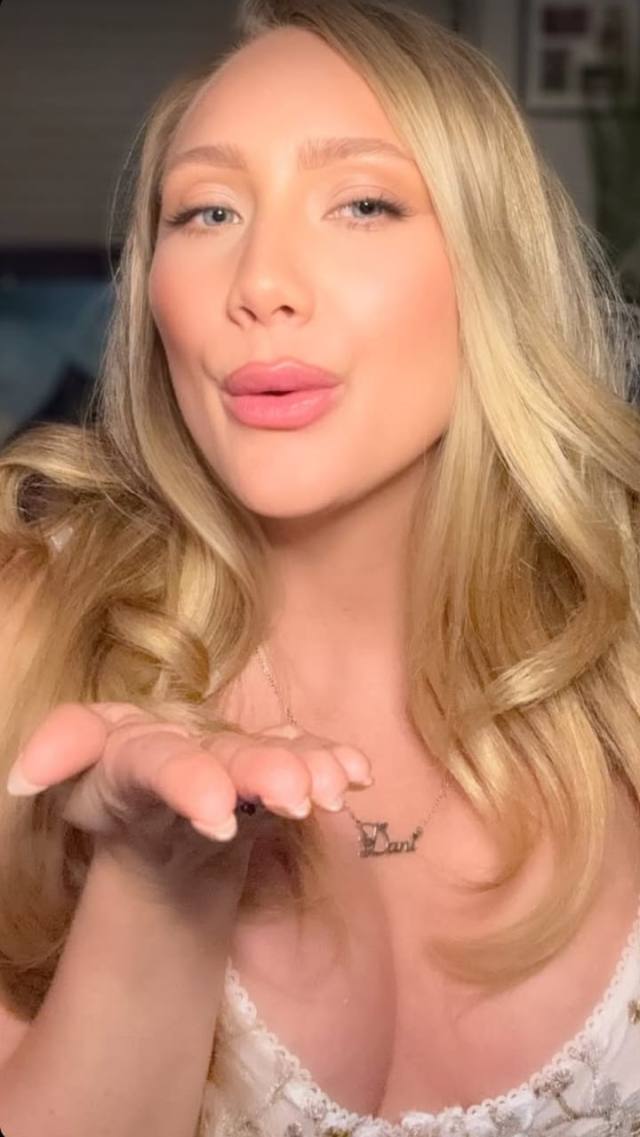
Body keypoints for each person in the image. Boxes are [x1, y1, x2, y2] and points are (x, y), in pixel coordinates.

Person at [0, 0, 640, 1133]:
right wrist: (153, 881)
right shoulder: (24, 639)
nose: (262, 281)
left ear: (491, 264)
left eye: (362, 204)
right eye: (207, 211)